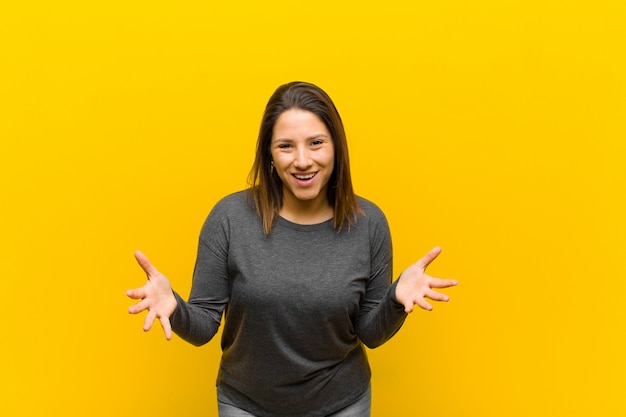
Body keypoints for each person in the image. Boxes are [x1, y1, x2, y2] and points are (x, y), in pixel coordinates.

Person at [126, 81, 457, 417]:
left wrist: (395, 301)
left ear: (336, 147)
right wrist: (175, 307)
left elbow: (370, 334)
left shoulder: (369, 224)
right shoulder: (229, 218)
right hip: (246, 406)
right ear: (269, 154)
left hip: (342, 405)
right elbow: (202, 328)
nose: (302, 161)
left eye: (316, 143)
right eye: (286, 146)